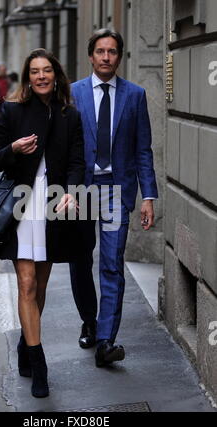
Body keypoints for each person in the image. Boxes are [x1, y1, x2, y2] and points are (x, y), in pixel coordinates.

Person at [0, 49, 85, 398]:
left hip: (53, 209)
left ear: (56, 75)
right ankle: (39, 365)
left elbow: (77, 162)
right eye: (35, 71)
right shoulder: (13, 109)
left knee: (38, 288)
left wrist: (72, 191)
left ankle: (27, 343)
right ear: (28, 76)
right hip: (20, 207)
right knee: (26, 284)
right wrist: (14, 149)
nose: (41, 76)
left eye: (47, 71)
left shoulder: (70, 116)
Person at [69, 29, 158, 368]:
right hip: (79, 190)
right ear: (91, 56)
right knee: (79, 261)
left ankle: (106, 339)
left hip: (116, 191)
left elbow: (143, 149)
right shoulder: (73, 93)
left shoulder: (135, 96)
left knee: (112, 263)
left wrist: (148, 195)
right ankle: (89, 322)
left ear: (120, 57)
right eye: (100, 51)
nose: (106, 57)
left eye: (112, 51)